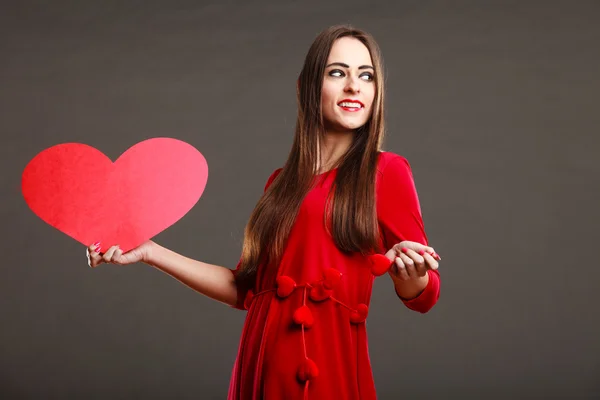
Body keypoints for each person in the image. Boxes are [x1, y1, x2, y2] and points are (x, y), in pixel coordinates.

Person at [86, 25, 441, 400]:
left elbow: (426, 293)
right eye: (338, 72)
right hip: (259, 364)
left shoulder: (386, 170)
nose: (354, 86)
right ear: (306, 86)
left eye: (366, 76)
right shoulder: (279, 183)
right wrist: (150, 251)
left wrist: (410, 275)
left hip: (323, 366)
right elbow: (245, 289)